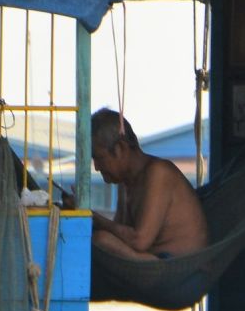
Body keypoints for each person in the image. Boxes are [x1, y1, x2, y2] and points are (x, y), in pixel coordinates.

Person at [89, 108, 209, 260]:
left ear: (120, 149)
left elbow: (139, 241)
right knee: (99, 240)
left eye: (98, 158)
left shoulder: (158, 173)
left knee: (102, 240)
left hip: (179, 266)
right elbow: (120, 236)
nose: (96, 167)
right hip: (152, 262)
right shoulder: (125, 181)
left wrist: (95, 218)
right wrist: (83, 214)